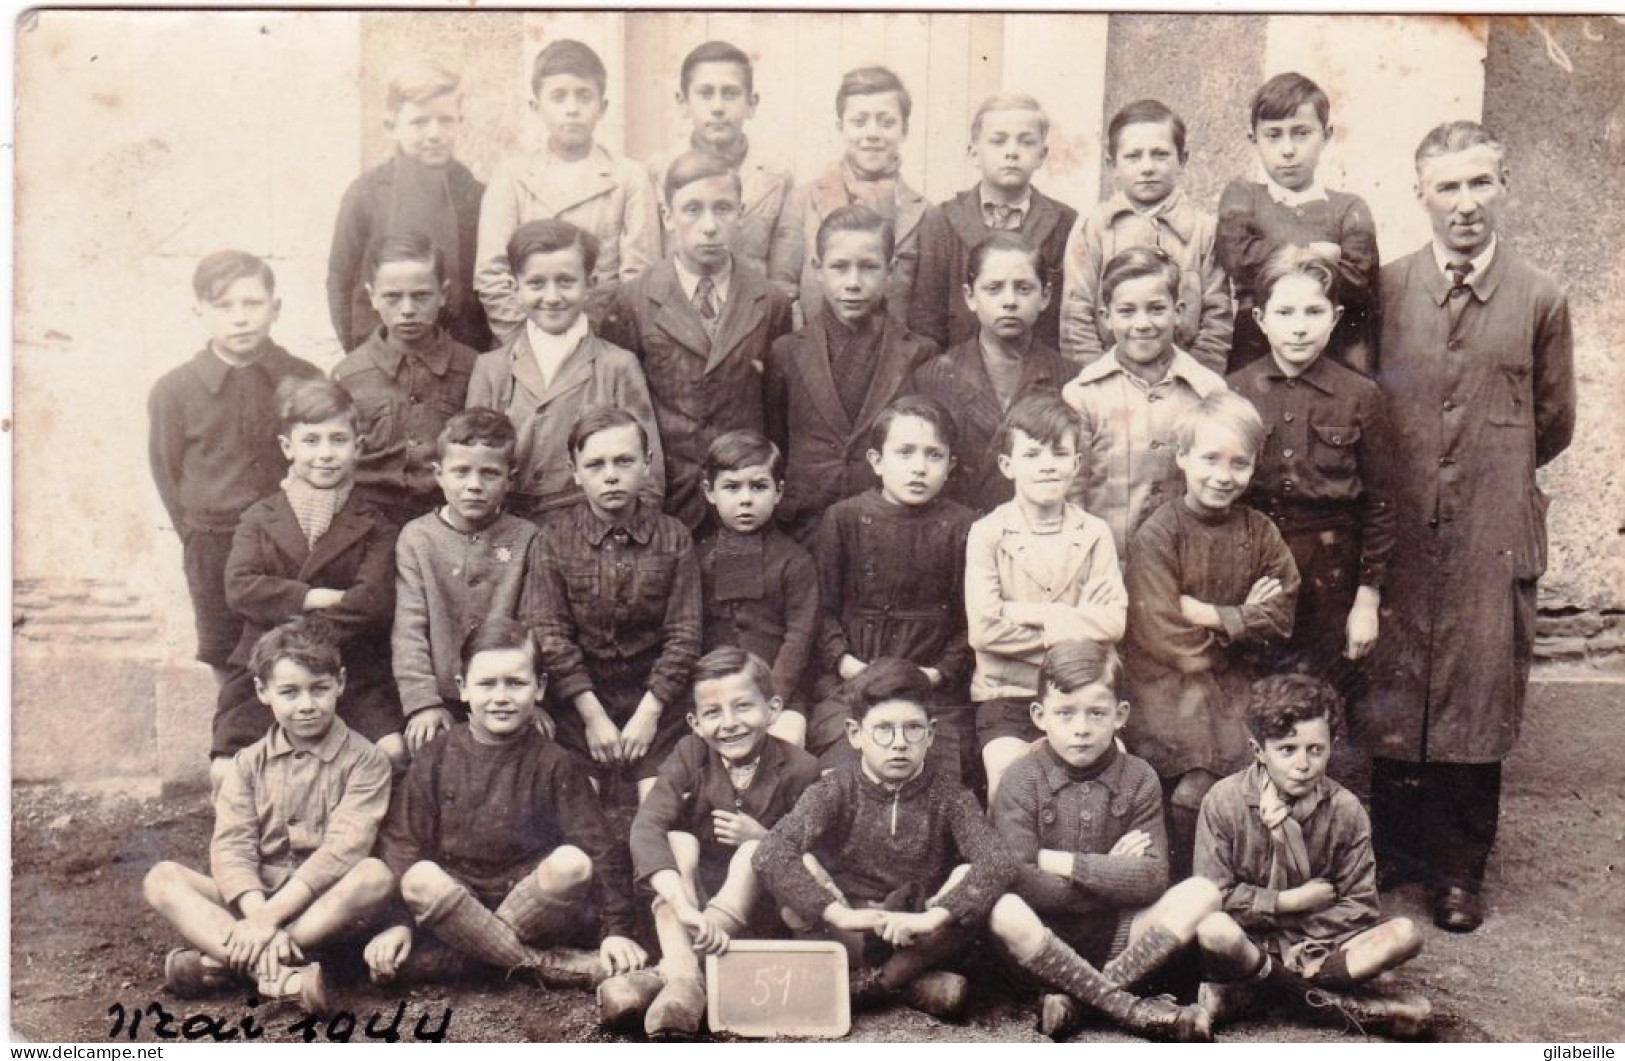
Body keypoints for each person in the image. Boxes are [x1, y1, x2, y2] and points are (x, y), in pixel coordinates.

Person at [1364, 120, 1575, 933]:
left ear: (1502, 186)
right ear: (1420, 193)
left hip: (1491, 521)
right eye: (1446, 186)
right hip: (1403, 520)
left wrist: (1488, 467)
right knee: (1393, 679)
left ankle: (1458, 869)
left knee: (1475, 690)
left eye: (1478, 183)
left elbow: (1552, 421)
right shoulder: (1386, 290)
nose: (1463, 204)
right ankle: (1395, 853)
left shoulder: (1539, 296)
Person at [364, 619, 646, 990]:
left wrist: (616, 931)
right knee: (419, 879)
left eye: (515, 683)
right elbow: (402, 843)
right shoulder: (437, 755)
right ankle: (546, 965)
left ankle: (467, 957)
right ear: (463, 689)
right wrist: (397, 923)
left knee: (571, 864)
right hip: (457, 897)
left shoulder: (554, 761)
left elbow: (599, 847)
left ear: (539, 687)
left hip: (530, 903)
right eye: (486, 684)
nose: (501, 697)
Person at [143, 617, 394, 1014]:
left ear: (341, 684)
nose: (306, 705)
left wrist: (266, 923)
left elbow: (343, 850)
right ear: (262, 691)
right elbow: (232, 847)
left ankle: (223, 962)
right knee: (162, 879)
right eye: (290, 692)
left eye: (320, 689)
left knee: (375, 876)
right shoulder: (246, 763)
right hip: (256, 900)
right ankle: (279, 972)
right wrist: (257, 915)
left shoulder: (366, 762)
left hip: (323, 908)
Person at [753, 660, 1018, 1022]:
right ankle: (907, 984)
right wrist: (841, 914)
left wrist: (930, 920)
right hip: (849, 929)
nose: (898, 744)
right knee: (797, 873)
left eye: (912, 729)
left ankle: (871, 988)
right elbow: (771, 851)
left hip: (915, 934)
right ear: (855, 734)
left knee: (971, 883)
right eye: (883, 730)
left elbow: (997, 861)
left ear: (930, 733)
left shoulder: (950, 795)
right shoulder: (835, 789)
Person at [987, 641, 1217, 1043]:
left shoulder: (1139, 777)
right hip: (1042, 941)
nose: (1081, 728)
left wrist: (1057, 861)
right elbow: (1020, 879)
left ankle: (1080, 1000)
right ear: (1040, 716)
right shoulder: (1020, 778)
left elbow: (1151, 878)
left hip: (1120, 937)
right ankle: (1127, 1008)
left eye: (1097, 713)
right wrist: (1110, 873)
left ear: (1120, 715)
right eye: (1065, 713)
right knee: (1003, 908)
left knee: (1202, 893)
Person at [1194, 675, 1432, 1038]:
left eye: (1315, 749)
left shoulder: (1346, 811)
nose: (1302, 764)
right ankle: (1352, 1007)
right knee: (1214, 931)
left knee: (1405, 934)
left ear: (1331, 745)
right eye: (1287, 749)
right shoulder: (1223, 801)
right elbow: (1213, 895)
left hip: (1315, 949)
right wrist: (1287, 902)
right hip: (1247, 940)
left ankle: (1252, 996)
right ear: (1259, 750)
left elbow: (1360, 904)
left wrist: (1298, 944)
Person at [1122, 391, 1299, 878]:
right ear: (1181, 458)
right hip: (1166, 682)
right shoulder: (1159, 533)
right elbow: (1162, 632)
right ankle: (1179, 885)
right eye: (1210, 460)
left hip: (1238, 682)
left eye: (1239, 464)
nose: (1224, 476)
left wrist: (1218, 616)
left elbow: (1282, 615)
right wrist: (1244, 620)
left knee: (1240, 781)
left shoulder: (1259, 531)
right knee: (1190, 788)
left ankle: (1225, 885)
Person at [605, 648, 822, 1038]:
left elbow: (818, 856)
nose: (730, 724)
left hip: (757, 917)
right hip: (684, 911)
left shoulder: (801, 768)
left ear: (772, 709)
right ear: (695, 722)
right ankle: (685, 976)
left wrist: (765, 838)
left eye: (743, 707)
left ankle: (676, 976)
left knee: (756, 851)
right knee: (676, 840)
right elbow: (646, 825)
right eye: (713, 712)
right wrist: (684, 906)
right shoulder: (690, 755)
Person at [1227, 246, 1395, 715]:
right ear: (1260, 318)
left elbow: (1382, 505)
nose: (1299, 326)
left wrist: (1367, 600)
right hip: (1253, 569)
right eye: (1284, 312)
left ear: (1335, 317)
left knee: (1321, 700)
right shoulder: (1233, 391)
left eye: (1313, 311)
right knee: (1255, 695)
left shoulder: (1361, 397)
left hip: (1331, 577)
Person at [213, 379, 405, 774]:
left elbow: (371, 603)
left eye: (338, 440)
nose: (325, 454)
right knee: (227, 767)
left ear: (359, 446)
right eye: (311, 440)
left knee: (391, 751)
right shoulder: (259, 517)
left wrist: (289, 606)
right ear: (288, 448)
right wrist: (317, 596)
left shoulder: (376, 523)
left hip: (348, 667)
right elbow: (240, 587)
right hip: (265, 667)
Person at [148, 250, 321, 686]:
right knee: (228, 659)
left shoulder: (302, 377)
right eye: (223, 307)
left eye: (252, 304)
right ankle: (235, 750)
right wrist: (196, 536)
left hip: (289, 544)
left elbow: (323, 456)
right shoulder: (175, 390)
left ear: (275, 308)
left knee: (295, 655)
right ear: (199, 312)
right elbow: (167, 472)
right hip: (214, 546)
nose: (239, 318)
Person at [600, 149, 793, 529]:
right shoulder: (632, 300)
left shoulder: (770, 301)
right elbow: (622, 411)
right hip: (667, 501)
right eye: (692, 210)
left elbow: (777, 411)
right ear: (668, 216)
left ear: (740, 215)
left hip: (741, 502)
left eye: (723, 209)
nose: (709, 225)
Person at [522, 406, 702, 799]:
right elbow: (549, 635)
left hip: (656, 697)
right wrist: (591, 715)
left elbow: (684, 635)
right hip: (578, 699)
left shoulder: (674, 537)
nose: (610, 475)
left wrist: (650, 712)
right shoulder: (553, 539)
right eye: (595, 464)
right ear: (575, 471)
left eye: (624, 461)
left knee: (660, 804)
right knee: (576, 805)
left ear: (647, 464)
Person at [805, 397, 977, 776]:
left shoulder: (963, 526)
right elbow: (822, 609)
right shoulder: (844, 519)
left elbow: (973, 622)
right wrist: (847, 664)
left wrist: (938, 672)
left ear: (950, 465)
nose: (919, 467)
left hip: (933, 688)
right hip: (853, 682)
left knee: (936, 779)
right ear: (876, 461)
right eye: (905, 453)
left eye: (934, 455)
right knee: (844, 774)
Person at [966, 395, 1125, 800]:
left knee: (1114, 777)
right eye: (1033, 454)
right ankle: (1009, 865)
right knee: (1010, 775)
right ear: (1008, 465)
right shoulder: (989, 533)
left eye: (1060, 453)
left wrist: (1028, 612)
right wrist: (1074, 622)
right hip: (1007, 694)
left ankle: (1087, 865)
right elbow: (985, 633)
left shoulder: (1093, 533)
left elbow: (1113, 624)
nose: (1048, 465)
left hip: (1079, 696)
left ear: (1076, 463)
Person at [465, 219, 664, 521]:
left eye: (566, 281)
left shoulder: (617, 366)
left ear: (590, 284)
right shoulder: (492, 368)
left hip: (593, 530)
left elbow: (648, 477)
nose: (552, 297)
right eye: (536, 284)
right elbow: (472, 467)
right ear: (514, 288)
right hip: (509, 530)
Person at [764, 205, 938, 541]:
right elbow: (776, 443)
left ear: (891, 270)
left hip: (888, 525)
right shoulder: (785, 352)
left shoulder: (918, 353)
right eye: (840, 267)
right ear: (817, 269)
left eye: (869, 267)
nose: (853, 283)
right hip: (804, 526)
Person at [474, 39, 659, 339]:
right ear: (537, 106)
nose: (572, 109)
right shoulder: (511, 176)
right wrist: (530, 345)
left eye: (584, 96)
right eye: (558, 97)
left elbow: (638, 279)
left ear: (603, 107)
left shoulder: (629, 177)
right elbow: (492, 275)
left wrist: (596, 345)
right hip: (524, 343)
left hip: (604, 341)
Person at [1062, 247, 1228, 562]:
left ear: (1178, 311)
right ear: (1106, 317)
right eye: (1126, 311)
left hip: (1185, 567)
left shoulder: (1208, 392)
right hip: (1105, 569)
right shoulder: (1082, 396)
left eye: (1156, 309)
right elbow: (1072, 495)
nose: (1143, 324)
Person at [391, 408, 540, 757]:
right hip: (442, 694)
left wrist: (530, 698)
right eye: (461, 472)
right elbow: (409, 629)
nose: (474, 485)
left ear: (510, 479)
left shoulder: (526, 538)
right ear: (439, 475)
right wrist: (422, 703)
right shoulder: (417, 538)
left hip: (506, 695)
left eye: (489, 473)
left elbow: (536, 624)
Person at [1217, 72, 1379, 375]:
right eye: (1273, 135)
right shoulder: (1242, 197)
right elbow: (1239, 258)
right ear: (1254, 139)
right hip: (1255, 361)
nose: (1288, 149)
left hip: (1332, 360)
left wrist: (1276, 256)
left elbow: (1356, 281)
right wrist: (1321, 254)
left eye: (1301, 133)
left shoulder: (1350, 208)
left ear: (1327, 135)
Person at [326, 59, 490, 354]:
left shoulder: (475, 195)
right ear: (392, 126)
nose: (434, 133)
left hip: (459, 351)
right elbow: (340, 279)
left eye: (446, 120)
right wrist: (357, 351)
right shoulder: (366, 194)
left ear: (460, 121)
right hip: (380, 350)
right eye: (419, 122)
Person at [1060, 99, 1230, 373]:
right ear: (1112, 163)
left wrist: (1194, 385)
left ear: (1183, 159)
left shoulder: (1205, 231)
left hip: (1185, 384)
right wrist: (1098, 381)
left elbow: (1217, 322)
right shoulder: (1093, 228)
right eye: (1133, 156)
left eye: (1160, 154)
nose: (1147, 167)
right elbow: (1076, 319)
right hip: (1108, 382)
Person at [912, 232, 1072, 514]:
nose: (1009, 301)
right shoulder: (933, 378)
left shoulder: (1069, 379)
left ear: (1045, 296)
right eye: (994, 288)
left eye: (1023, 288)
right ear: (970, 297)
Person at [332, 232, 480, 526]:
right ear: (372, 296)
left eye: (421, 295)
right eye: (392, 297)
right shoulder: (347, 374)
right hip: (369, 520)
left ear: (443, 295)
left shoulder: (474, 367)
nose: (408, 310)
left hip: (448, 518)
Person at [909, 93, 1075, 352]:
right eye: (998, 141)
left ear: (1042, 154)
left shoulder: (1065, 223)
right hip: (957, 374)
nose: (1011, 152)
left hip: (1040, 375)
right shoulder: (941, 221)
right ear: (974, 152)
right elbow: (926, 320)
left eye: (1025, 142)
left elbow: (1068, 320)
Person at [645, 40, 800, 299]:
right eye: (705, 93)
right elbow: (649, 267)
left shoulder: (776, 177)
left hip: (752, 315)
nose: (717, 107)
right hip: (673, 314)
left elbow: (782, 275)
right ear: (683, 102)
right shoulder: (657, 172)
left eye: (730, 93)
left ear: (751, 103)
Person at [694, 430, 820, 747]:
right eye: (732, 488)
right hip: (716, 690)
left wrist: (771, 696)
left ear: (778, 492)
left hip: (779, 693)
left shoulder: (794, 559)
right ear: (710, 492)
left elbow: (800, 637)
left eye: (759, 486)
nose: (746, 499)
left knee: (785, 739)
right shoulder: (699, 558)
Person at [793, 66, 927, 325]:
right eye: (859, 121)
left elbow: (927, 310)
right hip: (816, 356)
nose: (872, 134)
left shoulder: (924, 213)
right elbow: (783, 292)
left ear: (905, 129)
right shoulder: (803, 201)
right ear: (840, 127)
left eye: (886, 122)